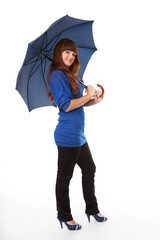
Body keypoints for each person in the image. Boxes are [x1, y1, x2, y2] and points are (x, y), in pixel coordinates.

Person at [47, 38, 107, 231]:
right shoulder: (57, 75)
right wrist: (88, 95)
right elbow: (66, 106)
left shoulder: (71, 75)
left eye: (73, 54)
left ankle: (92, 209)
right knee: (64, 177)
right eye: (67, 52)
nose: (71, 56)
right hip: (67, 137)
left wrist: (93, 100)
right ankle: (64, 215)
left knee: (89, 169)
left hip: (79, 135)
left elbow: (79, 103)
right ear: (58, 53)